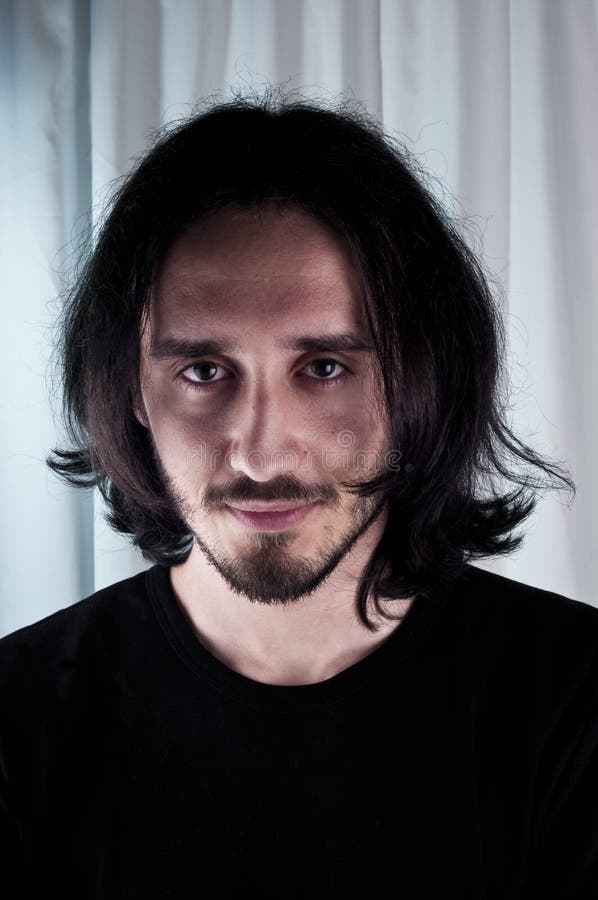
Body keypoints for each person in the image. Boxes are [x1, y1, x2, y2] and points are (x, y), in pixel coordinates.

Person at [1, 88, 596, 899]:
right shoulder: (19, 716)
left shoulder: (577, 697)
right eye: (204, 372)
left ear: (419, 378)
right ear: (133, 391)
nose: (259, 450)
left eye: (323, 368)